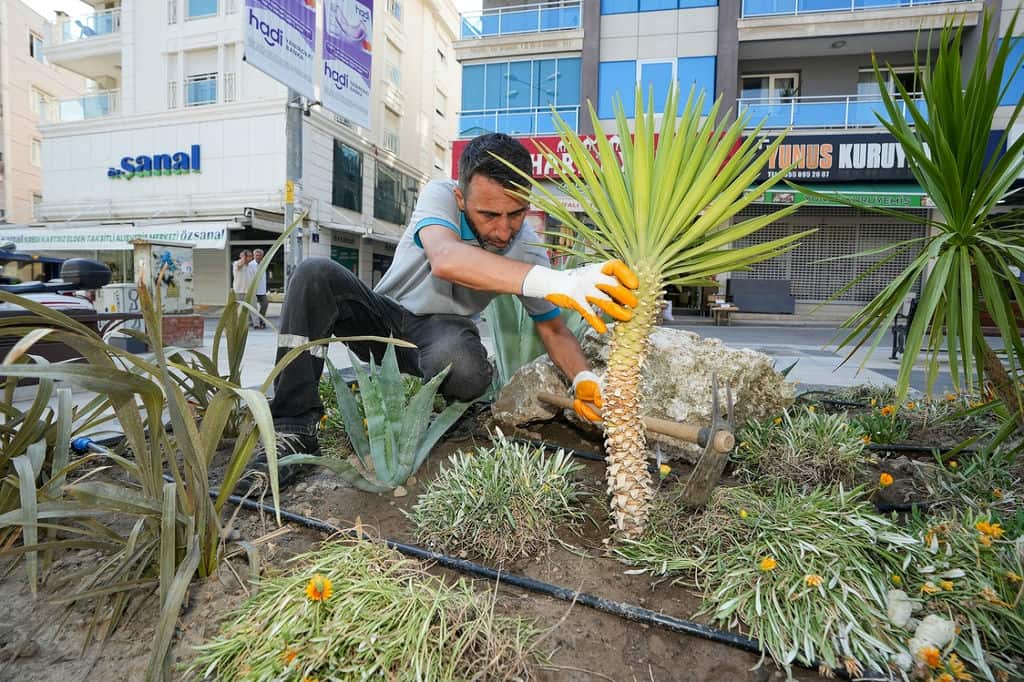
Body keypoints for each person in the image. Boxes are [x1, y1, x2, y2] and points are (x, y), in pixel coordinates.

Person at [249, 133, 638, 484]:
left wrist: (583, 378)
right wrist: (557, 281)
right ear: (461, 198)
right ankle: (294, 425)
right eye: (489, 215)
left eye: (516, 214)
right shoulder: (440, 195)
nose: (503, 231)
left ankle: (457, 408)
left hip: (443, 335)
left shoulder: (527, 247)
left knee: (464, 365)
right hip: (383, 322)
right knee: (314, 273)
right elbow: (446, 258)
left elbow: (553, 327)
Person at [248, 249, 269, 329]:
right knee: (253, 307)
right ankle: (254, 321)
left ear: (262, 256)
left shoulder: (264, 263)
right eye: (256, 255)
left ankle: (260, 319)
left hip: (262, 290)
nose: (258, 257)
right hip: (253, 290)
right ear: (254, 256)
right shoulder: (250, 265)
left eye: (260, 255)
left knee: (265, 304)